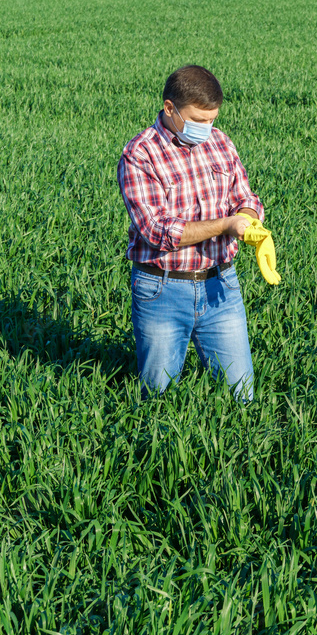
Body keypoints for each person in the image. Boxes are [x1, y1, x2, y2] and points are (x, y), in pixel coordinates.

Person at [117, 65, 263, 401]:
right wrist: (226, 225)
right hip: (162, 289)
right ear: (170, 108)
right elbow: (157, 231)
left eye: (212, 119)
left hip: (221, 286)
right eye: (198, 120)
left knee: (241, 395)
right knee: (158, 395)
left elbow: (245, 197)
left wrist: (248, 218)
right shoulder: (140, 154)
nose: (207, 127)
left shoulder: (220, 141)